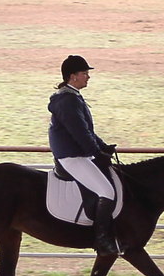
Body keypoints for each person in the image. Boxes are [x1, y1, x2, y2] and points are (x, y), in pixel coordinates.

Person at [48, 55, 119, 256]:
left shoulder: (72, 96)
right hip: (71, 157)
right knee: (107, 191)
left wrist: (103, 147)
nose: (88, 77)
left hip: (77, 154)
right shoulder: (67, 101)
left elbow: (86, 130)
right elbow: (80, 133)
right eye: (84, 73)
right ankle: (102, 240)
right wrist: (97, 153)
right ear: (73, 76)